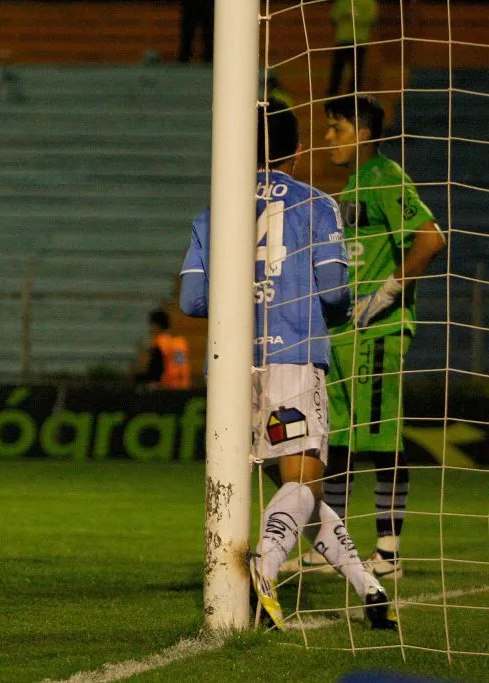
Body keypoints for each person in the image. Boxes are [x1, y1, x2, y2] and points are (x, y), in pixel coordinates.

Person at [179, 101, 396, 631]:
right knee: (303, 484)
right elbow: (336, 291)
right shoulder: (316, 204)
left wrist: (243, 299)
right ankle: (266, 566)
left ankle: (367, 587)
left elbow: (190, 299)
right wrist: (339, 311)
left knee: (302, 491)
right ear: (296, 152)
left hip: (232, 371)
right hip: (293, 361)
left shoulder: (215, 210)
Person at [282, 95, 446, 580]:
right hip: (348, 334)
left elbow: (431, 237)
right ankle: (331, 544)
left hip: (379, 330)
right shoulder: (354, 185)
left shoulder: (386, 177)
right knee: (344, 441)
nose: (329, 138)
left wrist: (387, 293)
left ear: (364, 132)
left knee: (381, 437)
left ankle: (389, 551)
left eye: (337, 129)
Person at [132, 309, 191, 391]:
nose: (150, 329)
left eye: (151, 325)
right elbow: (180, 364)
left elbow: (155, 366)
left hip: (167, 385)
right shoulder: (180, 341)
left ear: (156, 325)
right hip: (182, 384)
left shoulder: (161, 341)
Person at [327, 0, 378, 96]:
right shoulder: (342, 2)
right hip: (342, 39)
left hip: (360, 41)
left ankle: (353, 94)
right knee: (337, 68)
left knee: (357, 69)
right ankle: (332, 93)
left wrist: (352, 16)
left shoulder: (369, 2)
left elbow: (371, 19)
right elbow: (334, 17)